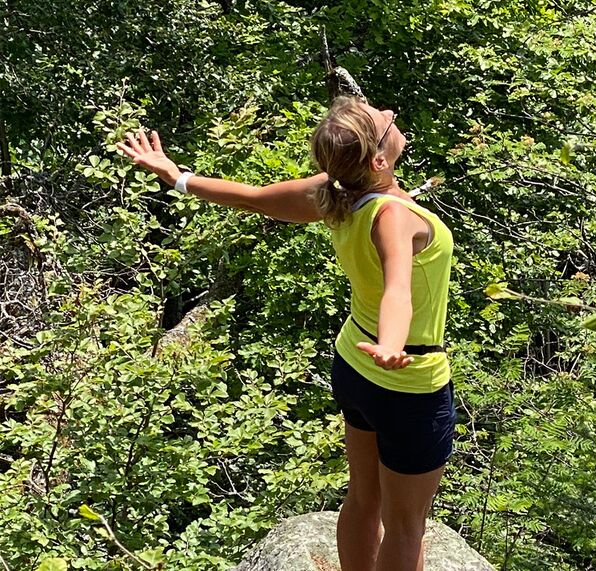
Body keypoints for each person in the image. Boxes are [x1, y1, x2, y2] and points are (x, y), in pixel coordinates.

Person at [116, 96, 456, 571]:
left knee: (363, 498)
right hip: (405, 377)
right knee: (406, 525)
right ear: (378, 160)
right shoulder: (393, 216)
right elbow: (397, 289)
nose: (391, 115)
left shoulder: (335, 191)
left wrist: (178, 177)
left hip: (355, 365)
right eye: (383, 121)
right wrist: (392, 345)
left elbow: (253, 197)